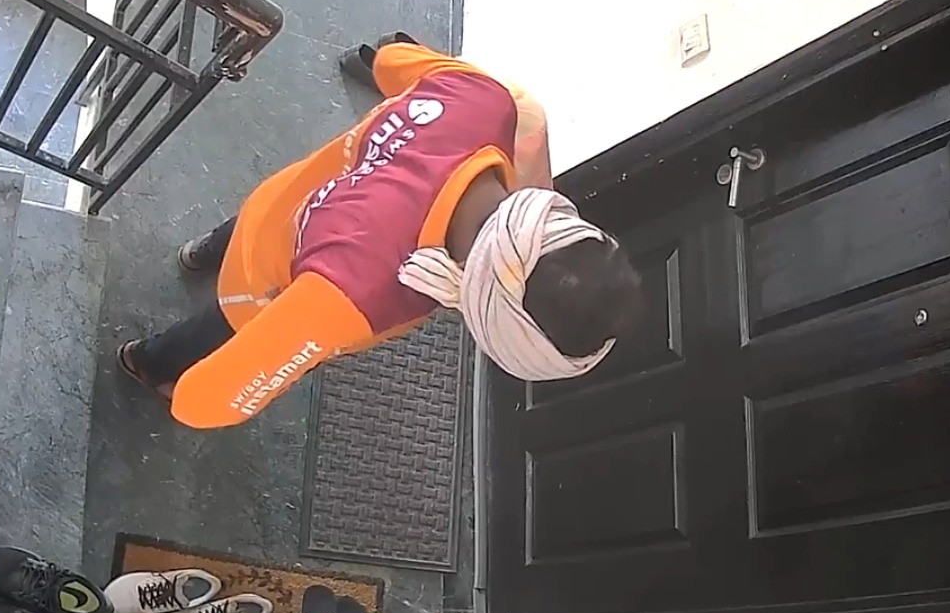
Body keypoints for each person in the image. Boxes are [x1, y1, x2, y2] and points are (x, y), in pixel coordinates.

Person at [116, 40, 645, 430]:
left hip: (286, 199)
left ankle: (198, 254)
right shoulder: (358, 295)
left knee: (243, 229)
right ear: (486, 311)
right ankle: (145, 360)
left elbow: (392, 61)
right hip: (265, 287)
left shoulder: (488, 101)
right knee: (216, 327)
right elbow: (201, 403)